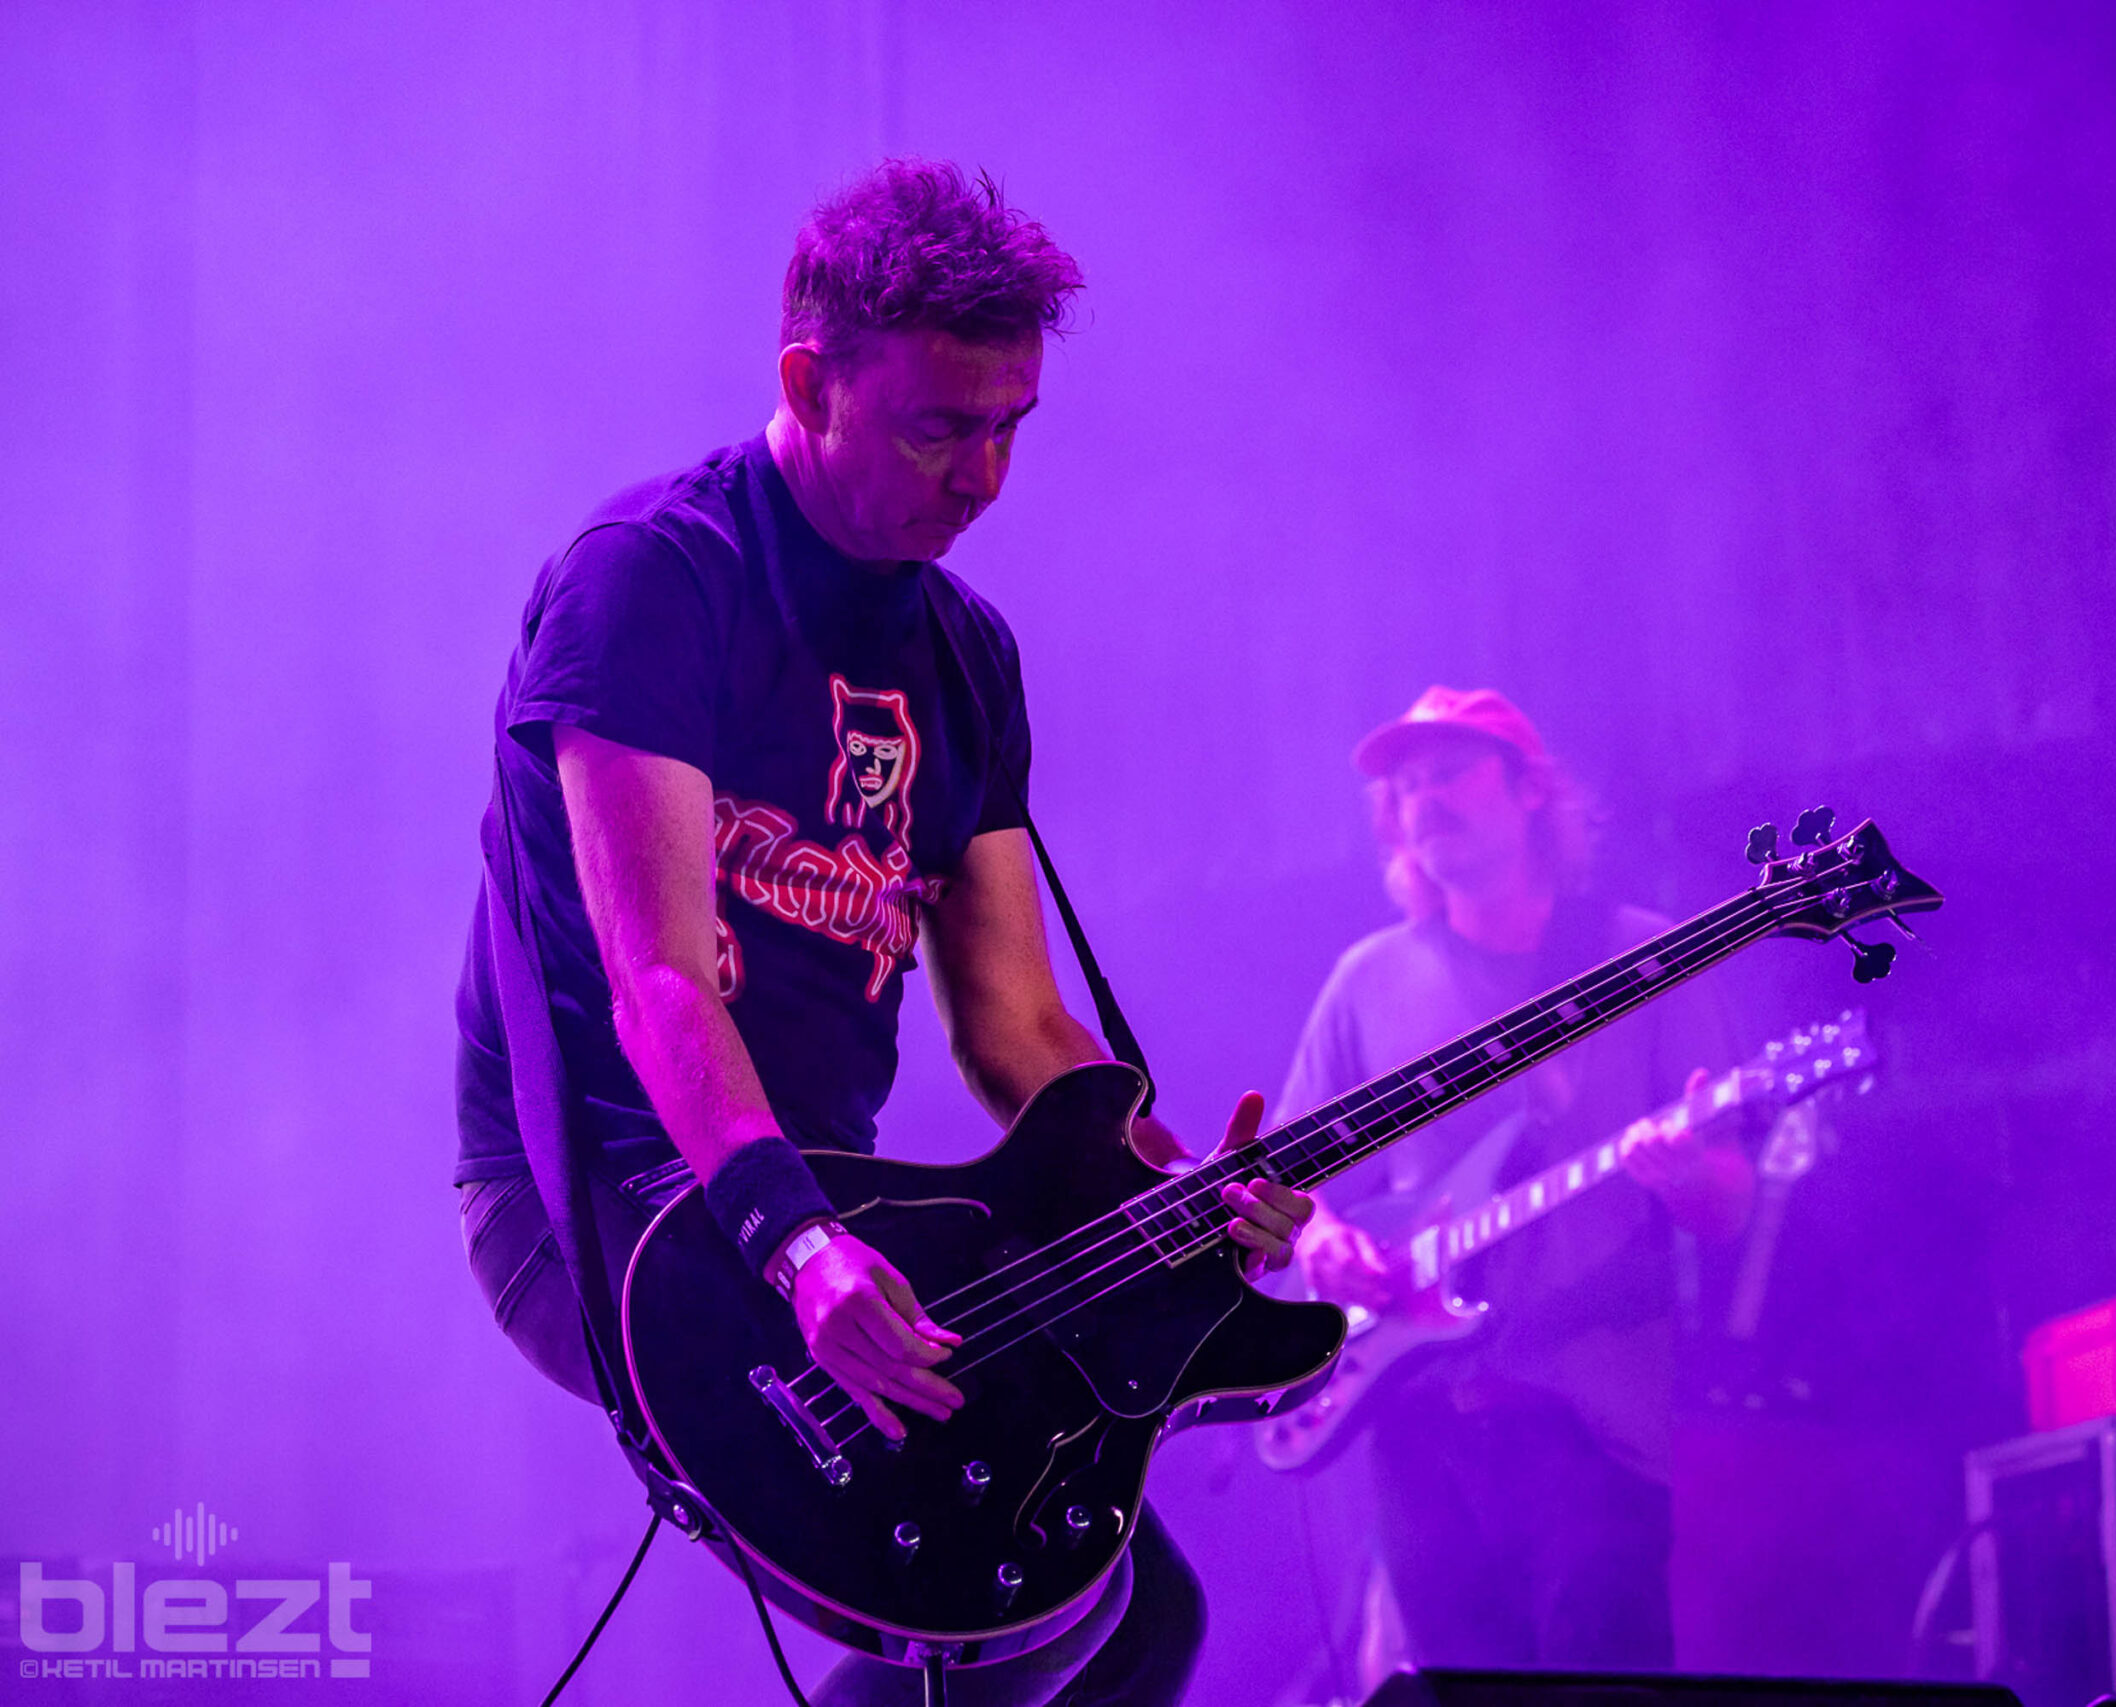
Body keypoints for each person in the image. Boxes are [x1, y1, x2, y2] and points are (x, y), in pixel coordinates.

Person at [451, 160, 1311, 1707]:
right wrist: (793, 1244)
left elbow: (1018, 1031)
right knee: (1034, 1618)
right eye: (939, 426)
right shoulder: (653, 580)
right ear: (810, 380)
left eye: (1010, 428)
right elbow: (657, 978)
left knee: (1129, 1607)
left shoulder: (965, 653)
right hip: (600, 1189)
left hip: (831, 1197)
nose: (982, 476)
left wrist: (1179, 1193)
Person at [1279, 686, 1758, 1674]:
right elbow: (1284, 1187)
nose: (1422, 802)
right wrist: (1318, 1240)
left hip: (1591, 1425)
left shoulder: (1645, 958)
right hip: (1418, 1434)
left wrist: (1682, 1178)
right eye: (1404, 789)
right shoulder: (1364, 981)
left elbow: (1728, 1202)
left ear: (1531, 790)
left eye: (1448, 772)